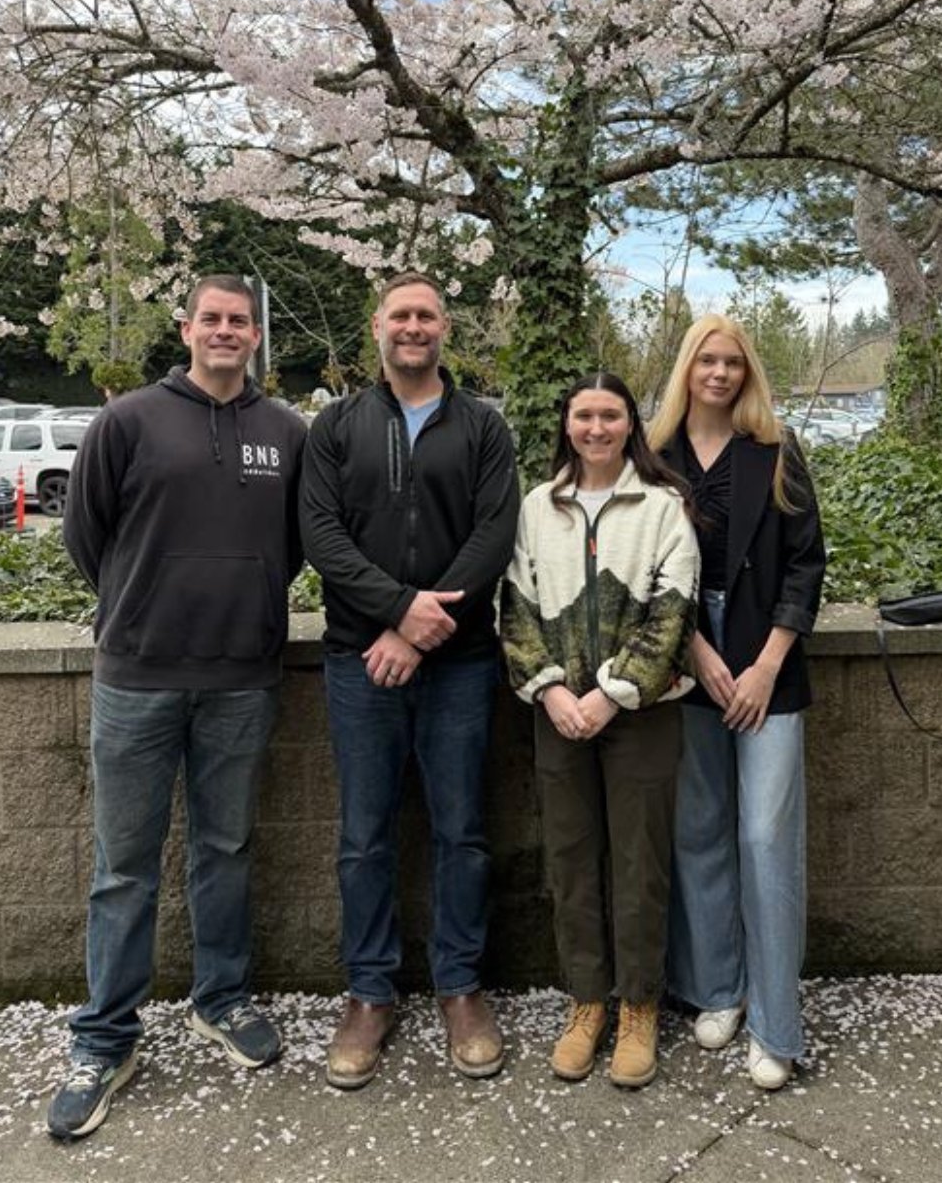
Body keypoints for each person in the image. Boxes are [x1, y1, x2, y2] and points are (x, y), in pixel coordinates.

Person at [48, 274, 308, 1140]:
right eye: (213, 319)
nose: (226, 331)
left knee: (225, 846)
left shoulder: (284, 432)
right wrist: (143, 603)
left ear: (257, 336)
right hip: (138, 678)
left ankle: (221, 999)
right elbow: (86, 536)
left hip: (243, 677)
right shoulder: (127, 421)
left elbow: (298, 546)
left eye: (241, 321)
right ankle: (106, 1037)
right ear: (188, 327)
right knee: (123, 867)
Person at [300, 270, 519, 1089]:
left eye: (427, 314)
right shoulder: (336, 425)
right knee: (364, 835)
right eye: (401, 314)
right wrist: (396, 614)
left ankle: (460, 986)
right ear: (377, 327)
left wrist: (425, 634)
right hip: (360, 663)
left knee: (463, 830)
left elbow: (494, 534)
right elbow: (321, 534)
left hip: (459, 665)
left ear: (445, 329)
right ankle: (369, 991)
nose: (414, 326)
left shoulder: (483, 429)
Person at [501, 373, 700, 1088]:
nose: (595, 428)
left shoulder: (661, 507)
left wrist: (613, 694)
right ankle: (587, 1002)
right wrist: (551, 689)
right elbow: (515, 607)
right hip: (558, 713)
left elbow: (674, 612)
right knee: (571, 858)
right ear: (566, 423)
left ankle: (640, 1005)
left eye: (609, 415)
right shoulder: (536, 507)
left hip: (642, 713)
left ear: (629, 425)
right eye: (583, 415)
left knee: (640, 861)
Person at [648, 314, 825, 1092]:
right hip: (687, 658)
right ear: (687, 368)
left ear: (747, 372)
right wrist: (695, 649)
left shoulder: (777, 450)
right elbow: (644, 571)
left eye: (732, 362)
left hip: (766, 659)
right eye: (706, 361)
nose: (718, 373)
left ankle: (776, 1024)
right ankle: (717, 988)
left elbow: (805, 565)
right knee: (699, 831)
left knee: (764, 838)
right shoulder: (655, 460)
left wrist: (764, 666)